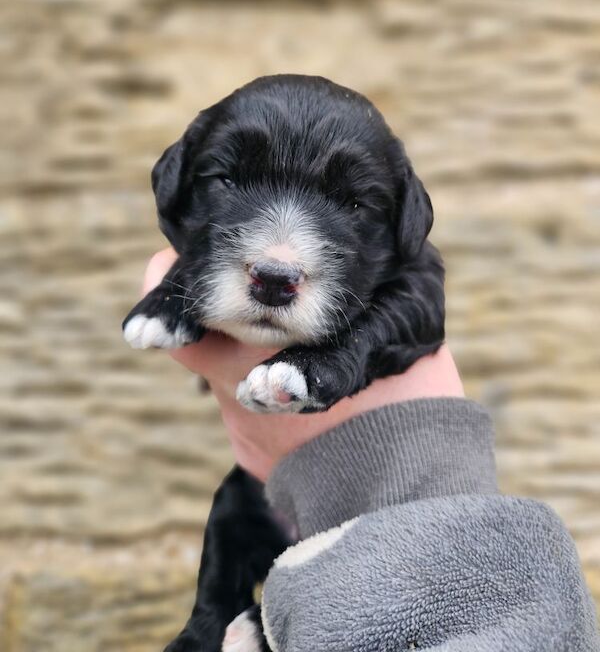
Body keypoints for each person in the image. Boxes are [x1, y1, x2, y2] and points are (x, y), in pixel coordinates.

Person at [144, 249, 600, 652]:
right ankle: (214, 620)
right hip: (300, 510)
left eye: (354, 203)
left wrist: (363, 452)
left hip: (381, 530)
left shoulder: (406, 279)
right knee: (235, 510)